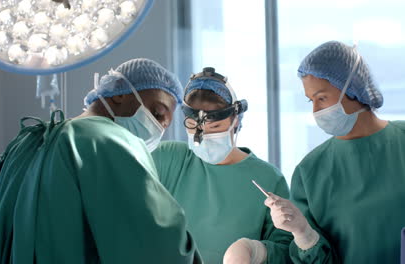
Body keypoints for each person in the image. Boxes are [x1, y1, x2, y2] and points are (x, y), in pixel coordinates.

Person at [0, 58, 202, 264]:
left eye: (165, 124)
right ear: (120, 93)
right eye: (158, 113)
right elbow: (158, 249)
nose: (160, 127)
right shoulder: (111, 142)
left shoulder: (22, 145)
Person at [264, 40, 405, 263]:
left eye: (322, 98)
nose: (315, 110)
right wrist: (303, 234)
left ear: (354, 88)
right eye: (311, 100)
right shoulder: (310, 171)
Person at [151, 67, 293, 264]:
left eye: (215, 127)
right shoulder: (170, 158)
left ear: (235, 120)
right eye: (193, 126)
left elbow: (287, 251)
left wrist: (254, 251)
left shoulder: (268, 179)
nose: (203, 137)